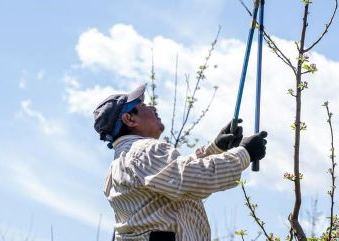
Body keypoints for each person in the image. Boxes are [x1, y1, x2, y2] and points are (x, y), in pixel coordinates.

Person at [93, 84, 268, 241]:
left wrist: (215, 148)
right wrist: (245, 153)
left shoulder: (118, 166)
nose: (152, 107)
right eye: (143, 105)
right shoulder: (144, 150)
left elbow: (172, 175)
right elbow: (193, 179)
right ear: (130, 119)